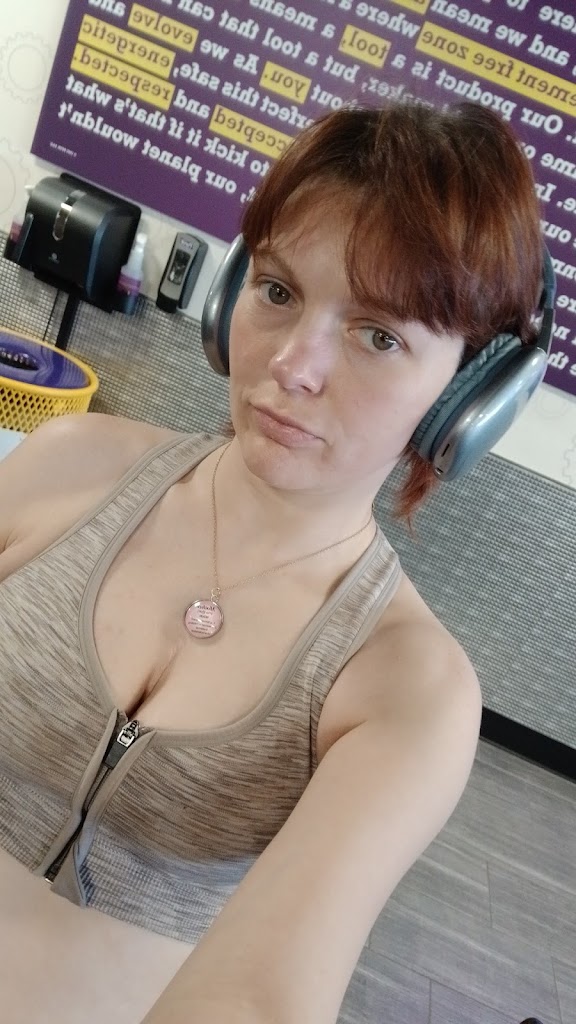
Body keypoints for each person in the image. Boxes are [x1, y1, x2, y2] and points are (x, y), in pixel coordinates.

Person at [0, 100, 545, 1024]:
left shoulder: (409, 689)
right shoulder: (69, 464)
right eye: (279, 291)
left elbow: (264, 997)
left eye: (379, 335)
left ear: (464, 397)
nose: (293, 364)